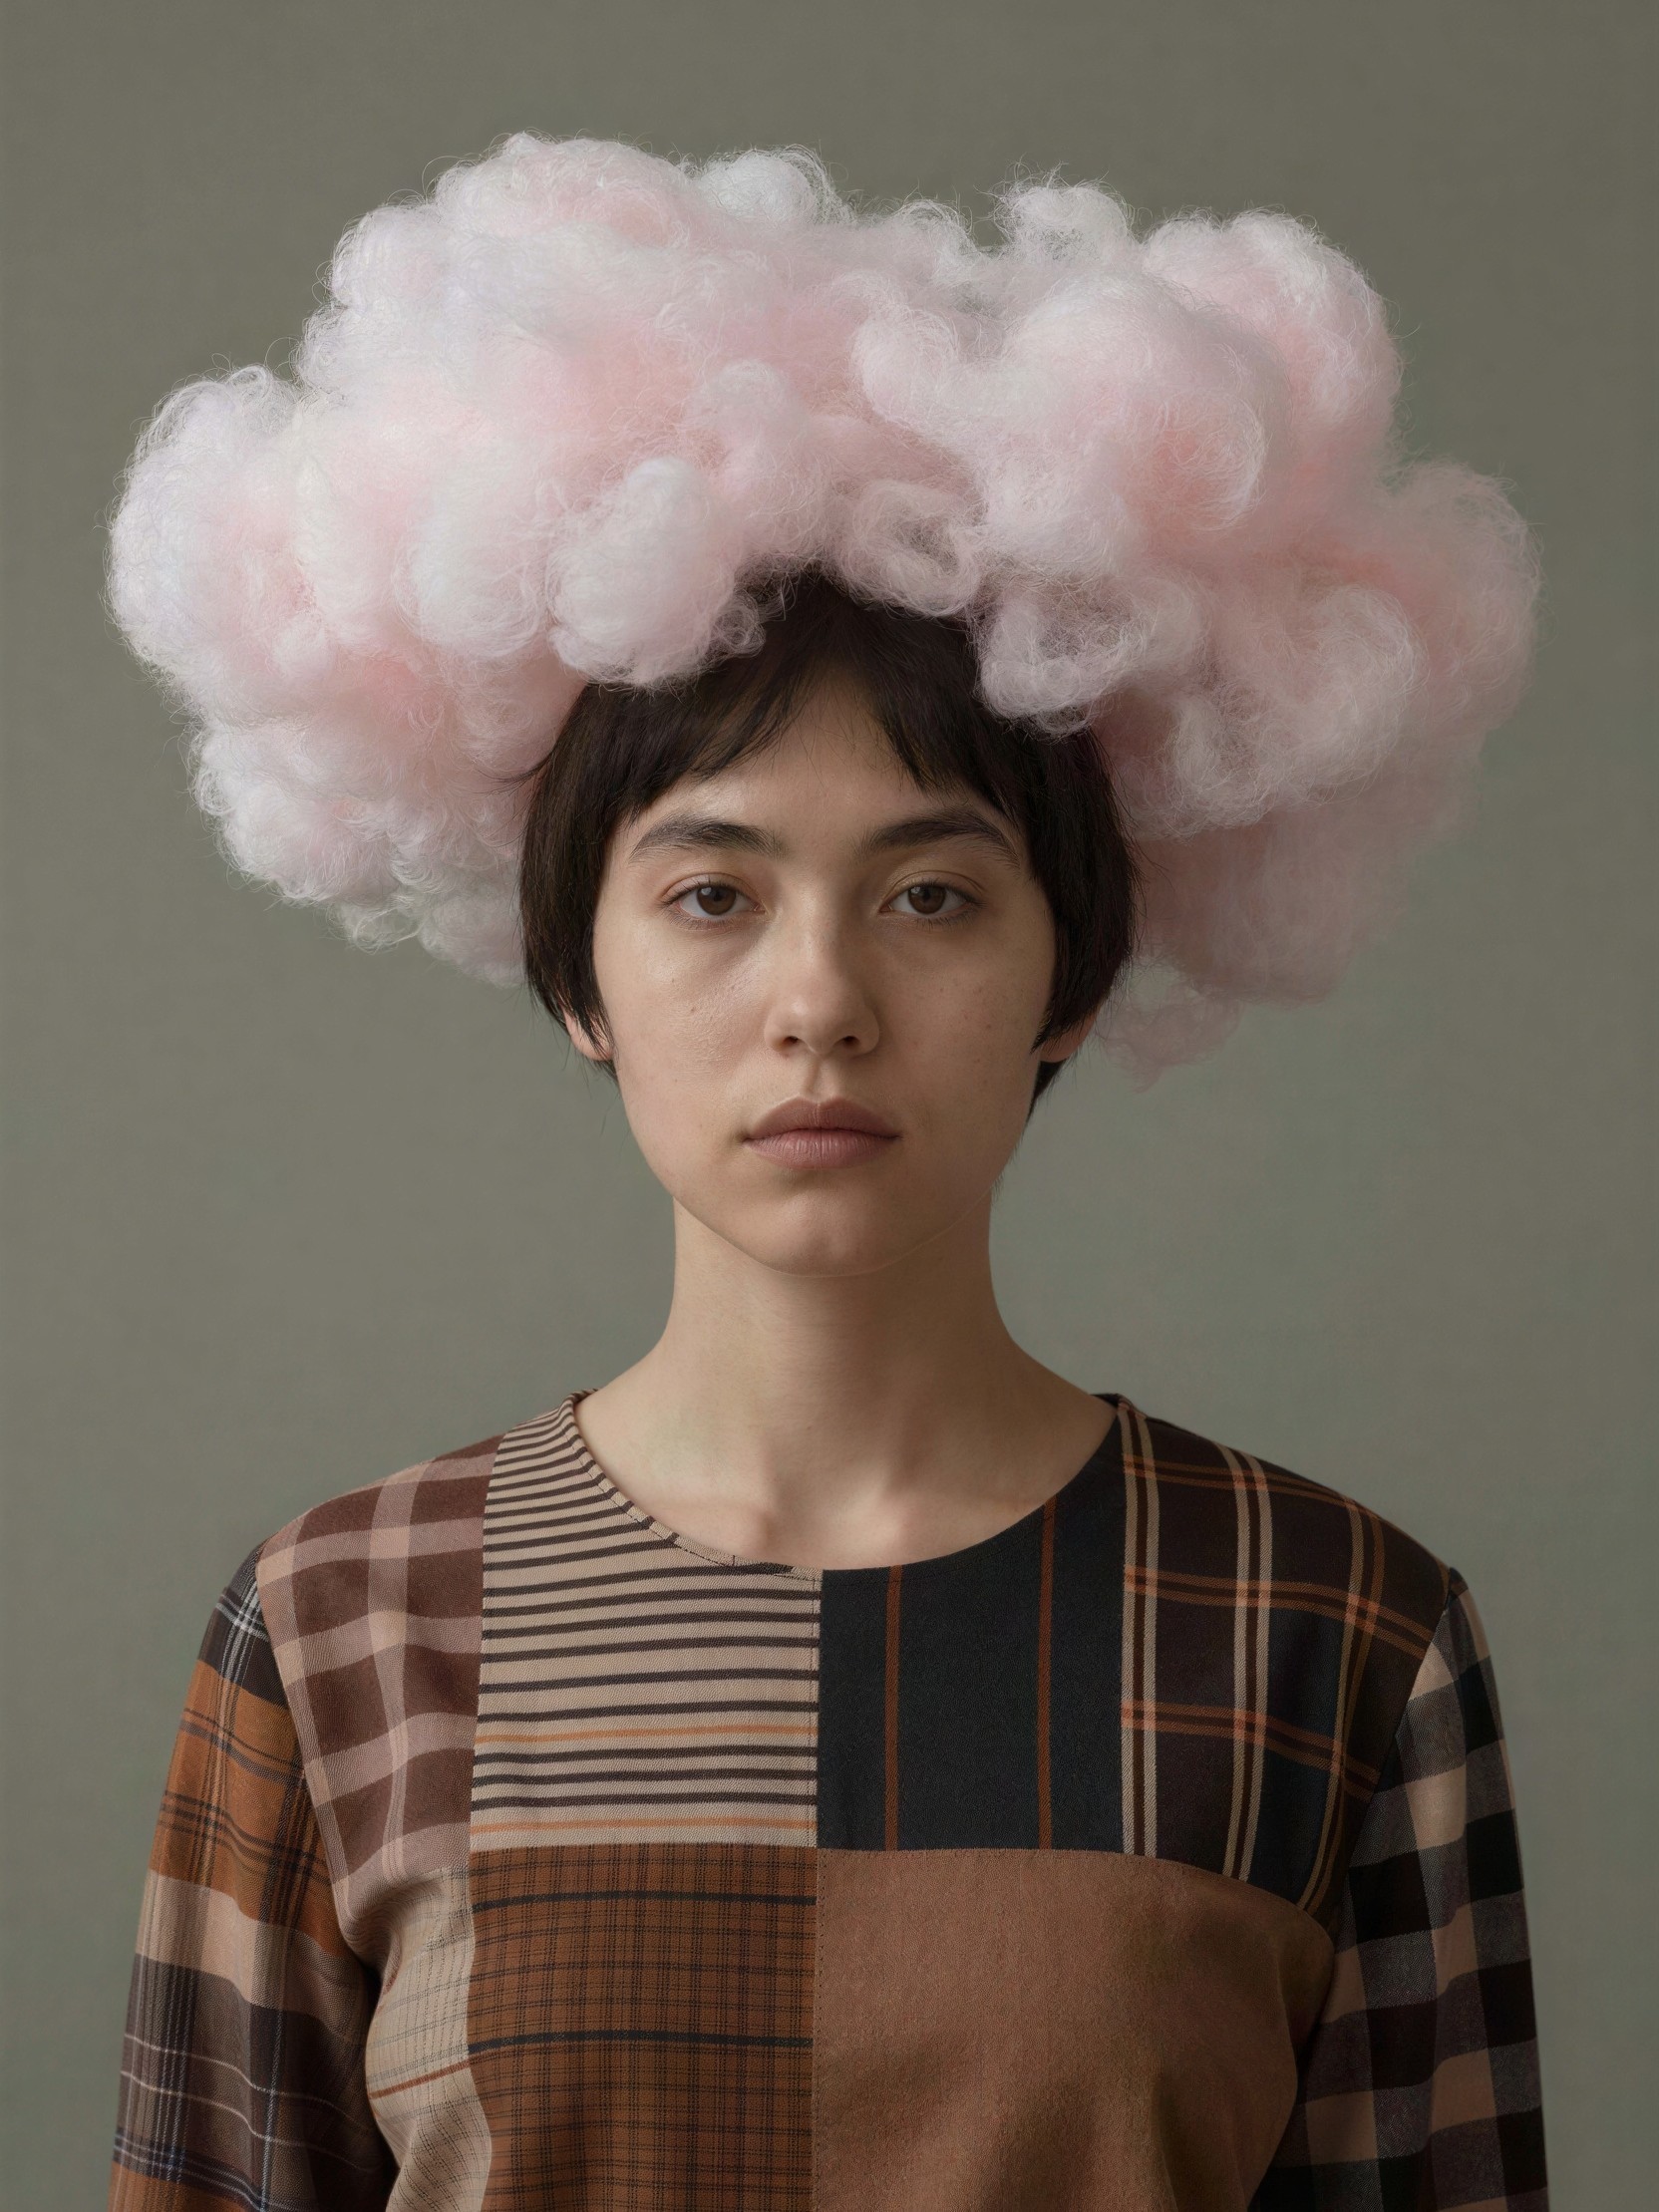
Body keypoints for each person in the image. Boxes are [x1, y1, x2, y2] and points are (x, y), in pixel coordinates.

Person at [104, 136, 1546, 2209]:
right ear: (574, 977)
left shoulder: (1327, 1631)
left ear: (1074, 970)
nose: (819, 1002)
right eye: (710, 895)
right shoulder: (346, 1626)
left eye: (934, 898)